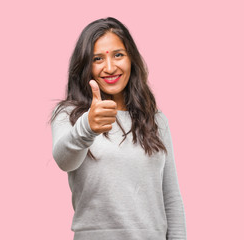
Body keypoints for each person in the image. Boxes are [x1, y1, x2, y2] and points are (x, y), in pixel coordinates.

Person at [50, 17, 187, 240]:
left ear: (131, 58)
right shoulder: (69, 114)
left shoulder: (156, 119)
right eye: (97, 59)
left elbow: (170, 196)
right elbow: (64, 160)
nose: (110, 67)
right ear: (86, 65)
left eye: (118, 55)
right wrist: (88, 127)